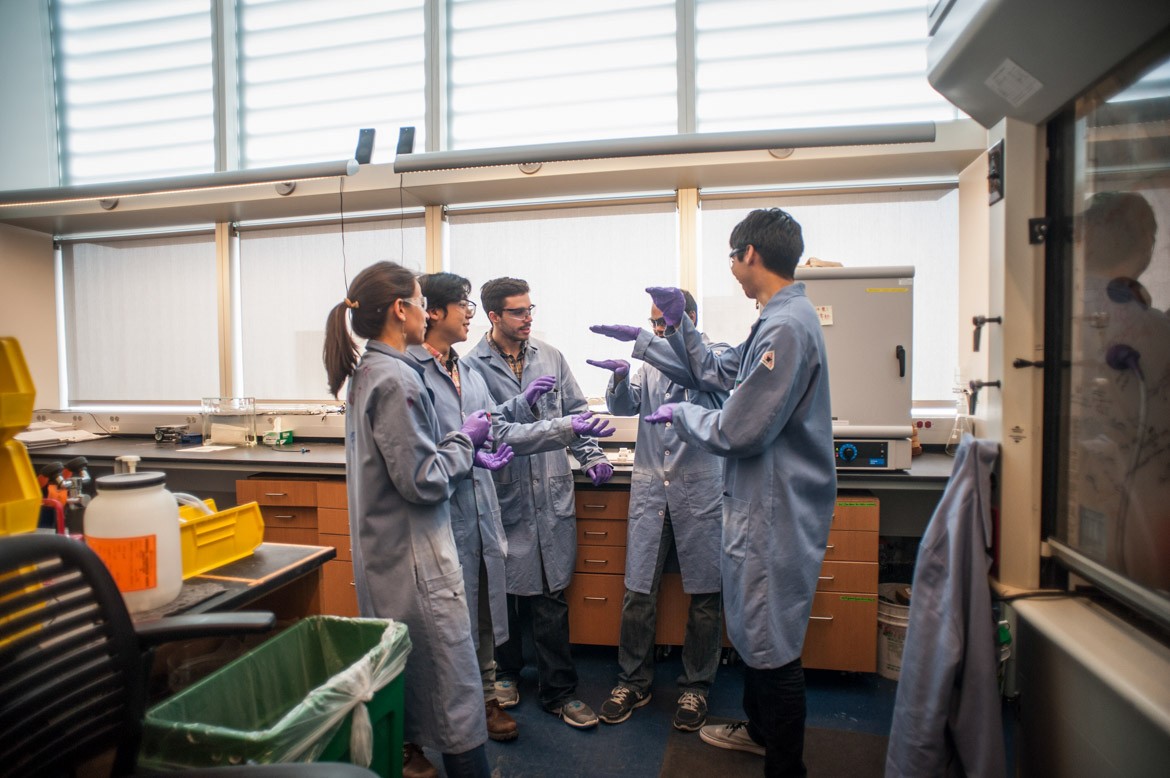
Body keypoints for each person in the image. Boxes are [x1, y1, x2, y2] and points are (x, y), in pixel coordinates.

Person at [593, 207, 837, 777]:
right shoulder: (777, 317)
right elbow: (721, 372)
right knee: (755, 632)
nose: (730, 266)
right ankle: (757, 730)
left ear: (749, 254)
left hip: (772, 506)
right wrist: (657, 343)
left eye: (731, 255)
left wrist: (682, 416)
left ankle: (785, 766)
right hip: (756, 501)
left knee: (770, 642)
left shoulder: (785, 325)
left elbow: (738, 426)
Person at [408, 272, 616, 745]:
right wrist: (533, 414)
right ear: (493, 315)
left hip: (548, 491)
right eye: (518, 311)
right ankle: (501, 682)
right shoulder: (469, 365)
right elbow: (500, 430)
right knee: (496, 596)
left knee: (549, 594)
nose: (527, 319)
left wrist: (593, 455)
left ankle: (559, 691)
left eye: (530, 310)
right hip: (499, 492)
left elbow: (576, 414)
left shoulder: (551, 356)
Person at [322, 261, 496, 778]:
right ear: (402, 310)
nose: (425, 310)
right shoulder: (398, 379)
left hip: (388, 555)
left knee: (415, 677)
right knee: (454, 685)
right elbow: (422, 481)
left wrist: (455, 447)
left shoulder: (369, 373)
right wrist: (467, 439)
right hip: (417, 559)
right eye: (420, 301)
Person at [585, 290, 728, 732]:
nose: (659, 330)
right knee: (638, 589)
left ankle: (696, 686)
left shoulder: (717, 356)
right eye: (654, 323)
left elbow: (706, 385)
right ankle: (634, 680)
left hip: (699, 488)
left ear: (689, 320)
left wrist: (655, 347)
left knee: (705, 594)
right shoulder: (649, 365)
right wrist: (620, 379)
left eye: (665, 323)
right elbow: (624, 408)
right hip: (651, 487)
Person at [1072, 191, 1170, 591]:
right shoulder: (1157, 332)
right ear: (1146, 245)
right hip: (1143, 507)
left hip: (1069, 500)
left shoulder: (1048, 314)